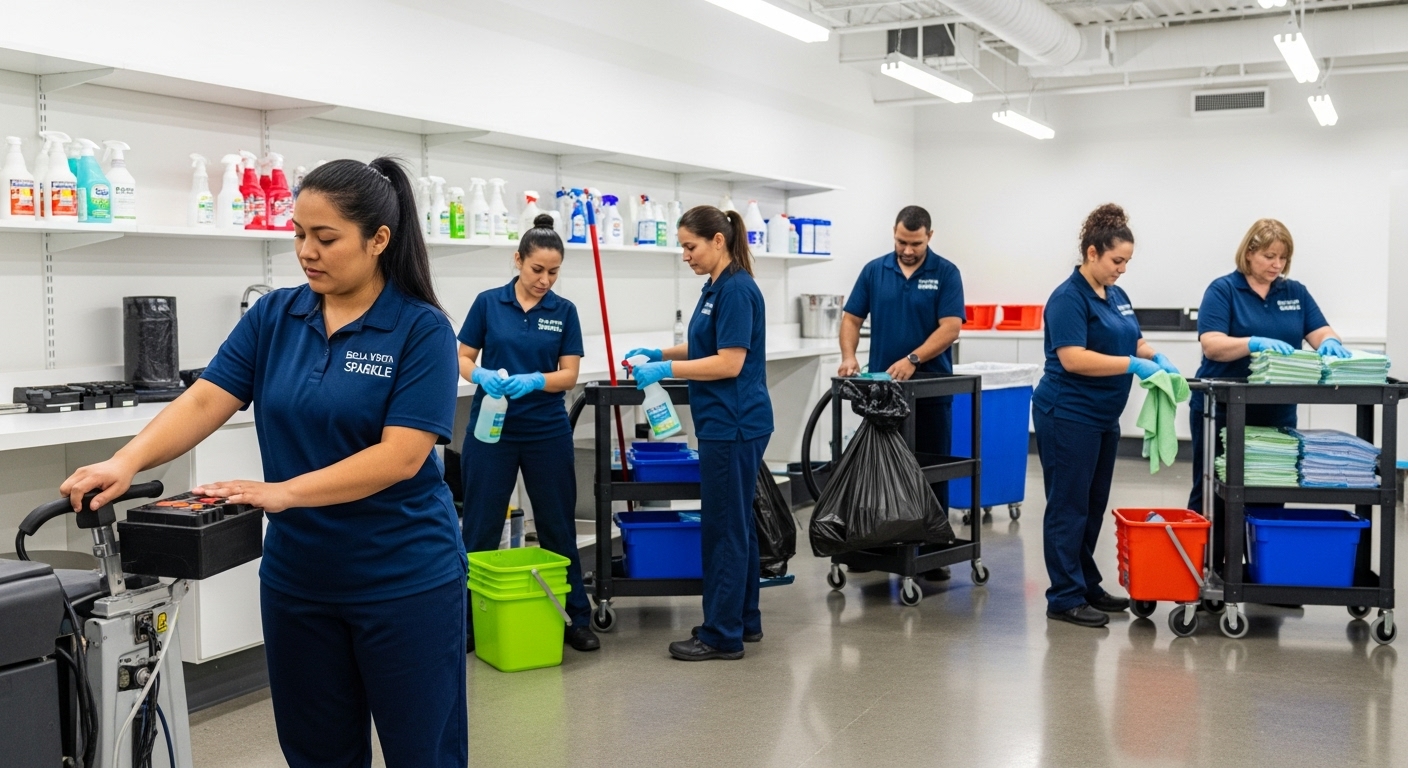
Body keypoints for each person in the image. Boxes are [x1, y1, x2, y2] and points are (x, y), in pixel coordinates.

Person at [59, 158, 467, 766]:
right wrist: (125, 461)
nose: (307, 250)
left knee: (422, 753)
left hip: (403, 579)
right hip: (299, 579)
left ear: (379, 240)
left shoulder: (421, 329)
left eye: (325, 238)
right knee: (316, 751)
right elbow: (204, 399)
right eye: (299, 233)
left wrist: (284, 493)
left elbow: (401, 456)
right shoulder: (276, 317)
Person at [624, 205, 773, 661]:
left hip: (733, 424)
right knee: (738, 523)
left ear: (718, 241)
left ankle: (720, 634)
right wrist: (660, 352)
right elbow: (707, 344)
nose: (685, 255)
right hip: (728, 422)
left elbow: (729, 362)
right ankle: (744, 619)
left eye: (690, 246)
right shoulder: (715, 289)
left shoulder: (737, 290)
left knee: (723, 529)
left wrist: (666, 369)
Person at [1033, 204, 1179, 629]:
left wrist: (1155, 357)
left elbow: (1134, 339)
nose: (1123, 269)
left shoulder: (1116, 295)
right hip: (1067, 413)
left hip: (1102, 417)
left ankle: (1085, 584)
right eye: (1118, 261)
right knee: (1068, 505)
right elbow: (1073, 358)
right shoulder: (1067, 298)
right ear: (1092, 253)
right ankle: (1063, 597)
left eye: (1127, 262)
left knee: (1093, 505)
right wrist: (1132, 366)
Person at [457, 213, 598, 653]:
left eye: (553, 272)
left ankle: (574, 617)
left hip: (545, 431)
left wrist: (536, 380)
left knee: (557, 528)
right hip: (491, 431)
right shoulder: (488, 303)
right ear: (518, 260)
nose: (545, 280)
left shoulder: (564, 311)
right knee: (479, 529)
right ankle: (466, 623)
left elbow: (569, 374)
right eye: (537, 269)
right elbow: (462, 357)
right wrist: (481, 376)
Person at [1188, 218, 1352, 572]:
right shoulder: (1223, 290)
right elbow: (1212, 344)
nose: (1277, 265)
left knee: (1270, 489)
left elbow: (1320, 329)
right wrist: (1252, 343)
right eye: (1269, 256)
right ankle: (1210, 571)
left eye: (1283, 258)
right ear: (1249, 254)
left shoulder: (1295, 293)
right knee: (1215, 490)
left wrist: (1331, 342)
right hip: (1223, 411)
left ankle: (1266, 571)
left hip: (1275, 412)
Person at [838, 205, 964, 580]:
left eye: (916, 243)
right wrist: (849, 356)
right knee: (877, 468)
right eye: (901, 241)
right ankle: (874, 542)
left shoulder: (945, 273)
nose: (908, 250)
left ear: (930, 236)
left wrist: (914, 358)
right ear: (893, 234)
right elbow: (851, 318)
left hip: (931, 390)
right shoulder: (875, 270)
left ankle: (933, 549)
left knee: (929, 469)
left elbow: (951, 327)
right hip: (883, 392)